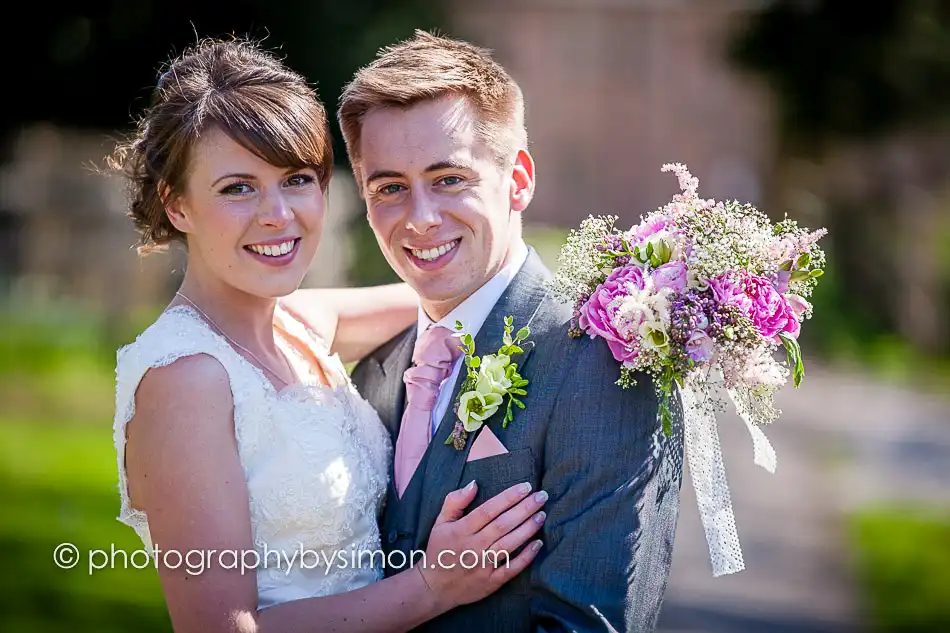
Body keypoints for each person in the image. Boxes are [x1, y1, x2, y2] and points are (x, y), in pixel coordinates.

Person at [109, 37, 548, 633]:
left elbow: (464, 286)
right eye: (238, 187)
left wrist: (631, 301)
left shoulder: (298, 324)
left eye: (295, 179)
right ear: (177, 204)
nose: (277, 214)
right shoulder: (186, 380)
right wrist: (432, 586)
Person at [287, 29, 683, 632]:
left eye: (449, 179)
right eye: (390, 188)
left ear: (518, 179)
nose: (420, 218)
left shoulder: (605, 363)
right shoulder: (379, 362)